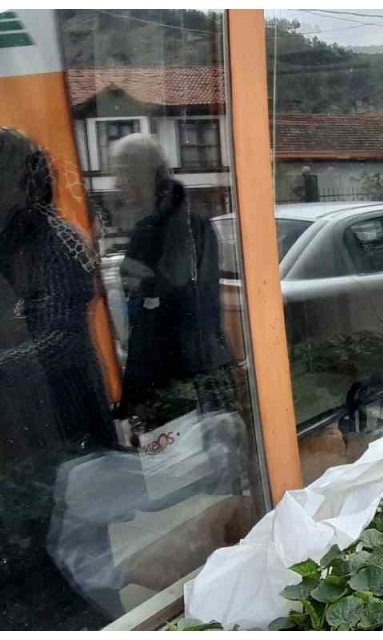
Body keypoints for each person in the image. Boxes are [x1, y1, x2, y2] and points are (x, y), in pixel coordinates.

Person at [0, 127, 116, 629]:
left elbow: (59, 342)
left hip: (62, 419)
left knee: (76, 556)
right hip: (24, 420)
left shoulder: (55, 240)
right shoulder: (12, 238)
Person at [112, 133, 234, 431]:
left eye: (122, 173)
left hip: (178, 382)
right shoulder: (187, 220)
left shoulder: (165, 228)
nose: (117, 183)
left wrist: (138, 396)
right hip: (195, 371)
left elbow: (165, 309)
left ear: (142, 173)